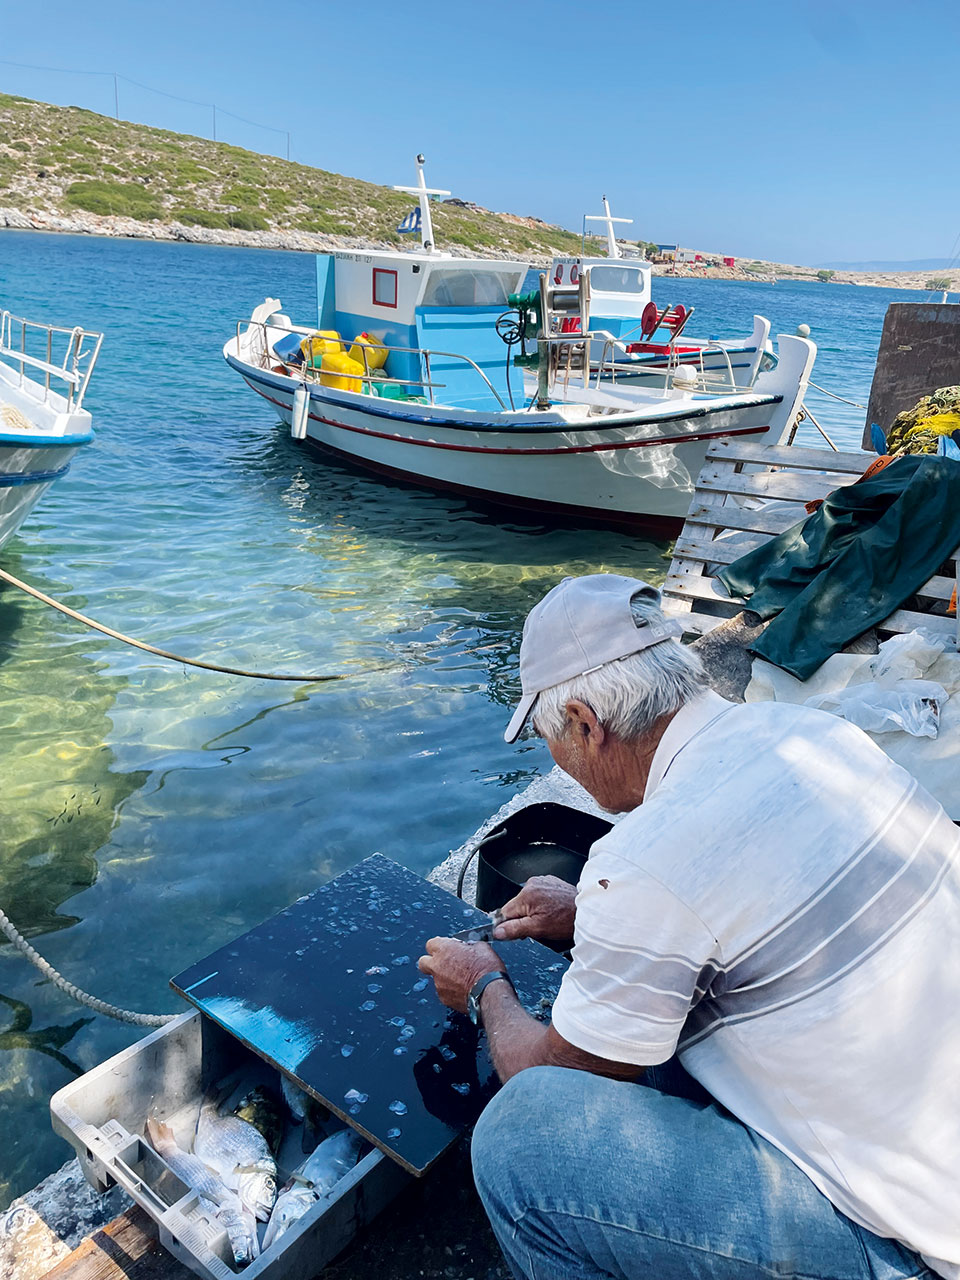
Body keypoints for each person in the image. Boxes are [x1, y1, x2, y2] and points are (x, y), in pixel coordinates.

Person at [417, 573, 960, 1280]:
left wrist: (485, 984)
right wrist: (590, 916)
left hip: (909, 1236)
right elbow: (749, 895)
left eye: (552, 738)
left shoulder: (645, 859)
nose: (558, 759)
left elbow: (546, 1070)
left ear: (585, 723)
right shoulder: (815, 734)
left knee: (521, 1140)